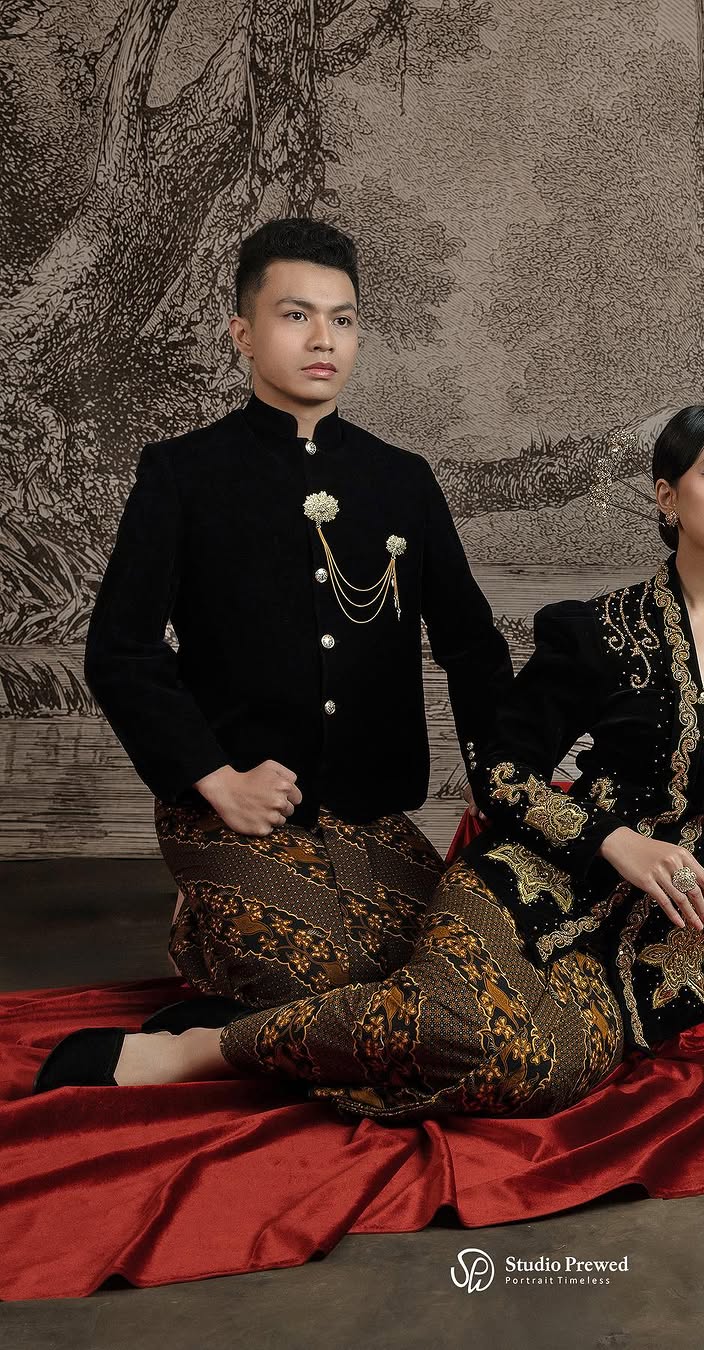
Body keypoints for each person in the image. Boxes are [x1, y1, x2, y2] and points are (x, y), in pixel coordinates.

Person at [34, 404, 704, 1111]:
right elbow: (506, 768)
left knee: (545, 1068)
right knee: (448, 1017)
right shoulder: (595, 633)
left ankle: (228, 1037)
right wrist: (614, 842)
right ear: (667, 496)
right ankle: (194, 1055)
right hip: (530, 880)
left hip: (659, 950)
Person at [39, 217, 513, 1084]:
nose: (323, 339)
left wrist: (502, 796)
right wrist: (216, 779)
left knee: (470, 982)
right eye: (296, 316)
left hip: (370, 814)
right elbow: (121, 651)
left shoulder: (401, 479)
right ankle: (202, 983)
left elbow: (475, 649)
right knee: (344, 989)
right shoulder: (183, 474)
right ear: (243, 334)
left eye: (343, 319)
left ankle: (212, 1013)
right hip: (232, 808)